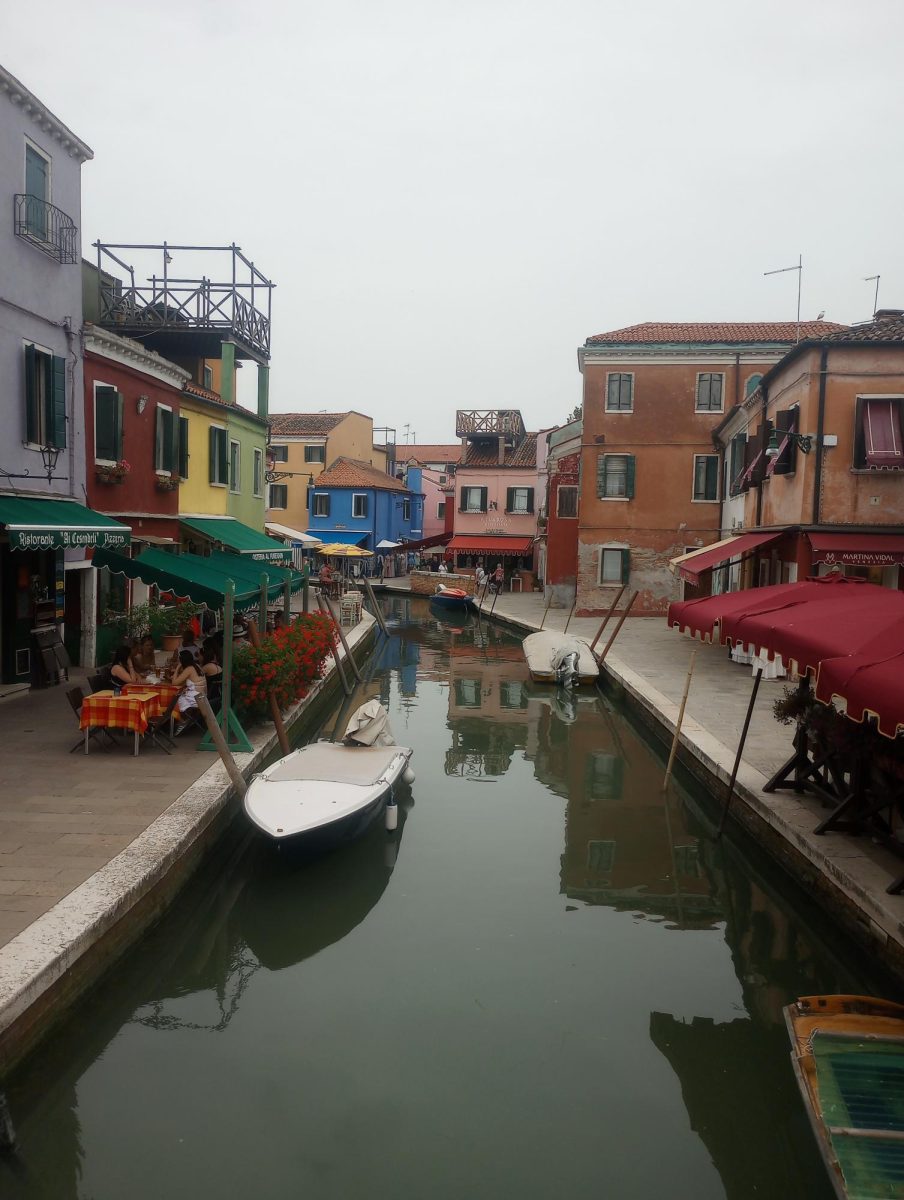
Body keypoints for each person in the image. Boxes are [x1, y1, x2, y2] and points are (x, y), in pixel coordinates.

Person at [172, 650, 207, 720]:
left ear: (182, 661)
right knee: (180, 694)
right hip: (202, 697)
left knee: (174, 698)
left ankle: (179, 720)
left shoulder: (189, 669)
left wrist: (177, 668)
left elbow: (174, 683)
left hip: (194, 700)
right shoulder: (196, 666)